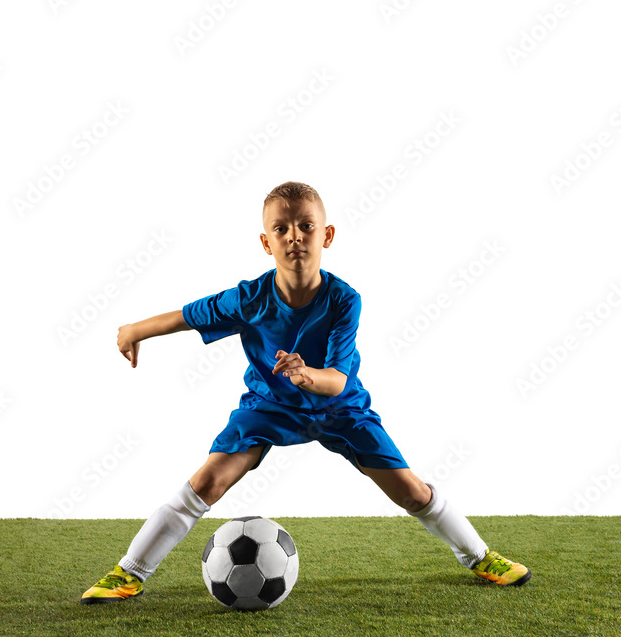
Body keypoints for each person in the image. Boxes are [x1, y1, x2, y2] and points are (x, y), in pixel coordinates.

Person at [81, 181, 530, 603]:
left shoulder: (343, 300)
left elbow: (336, 378)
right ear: (266, 242)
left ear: (326, 234)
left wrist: (306, 374)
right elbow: (187, 316)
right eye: (281, 228)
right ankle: (130, 573)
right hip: (270, 407)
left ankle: (479, 557)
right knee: (207, 481)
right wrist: (132, 330)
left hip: (340, 408)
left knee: (412, 491)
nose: (294, 236)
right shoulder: (249, 298)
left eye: (305, 225)